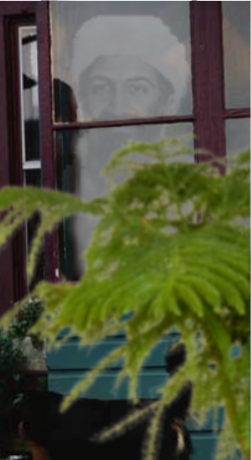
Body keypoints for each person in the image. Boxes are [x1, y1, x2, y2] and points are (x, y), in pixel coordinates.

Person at [67, 15, 191, 277]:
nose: (117, 107)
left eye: (137, 89)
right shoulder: (63, 182)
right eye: (101, 88)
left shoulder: (193, 183)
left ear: (167, 102)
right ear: (83, 101)